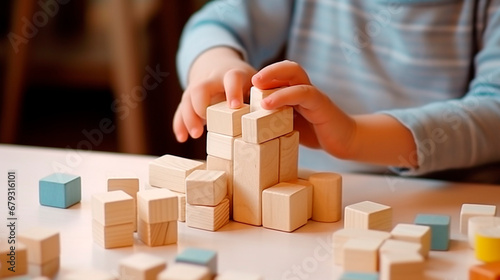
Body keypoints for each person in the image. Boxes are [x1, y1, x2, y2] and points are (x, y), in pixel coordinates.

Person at [174, 0, 500, 179]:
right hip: (299, 180)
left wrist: (356, 136)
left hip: (441, 195)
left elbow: (494, 111)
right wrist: (217, 66)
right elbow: (216, 23)